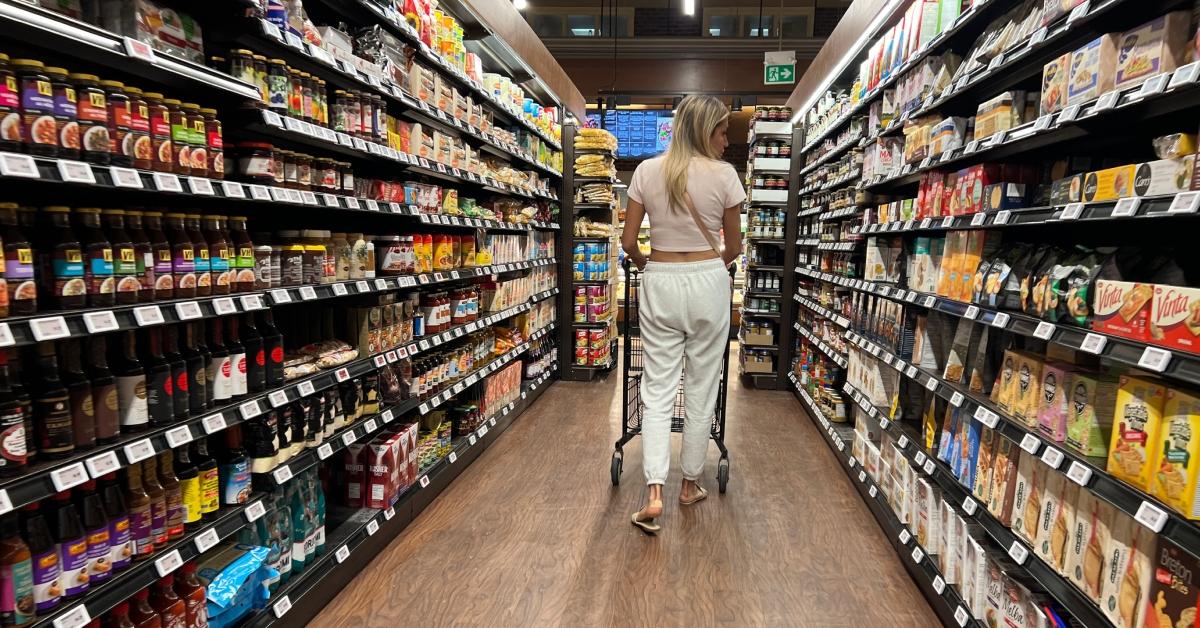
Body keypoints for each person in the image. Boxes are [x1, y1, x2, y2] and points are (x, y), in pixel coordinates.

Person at [620, 95, 745, 533]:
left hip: (661, 279)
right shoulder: (725, 176)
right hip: (709, 280)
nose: (727, 141)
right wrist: (713, 266)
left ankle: (654, 490)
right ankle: (689, 483)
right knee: (702, 385)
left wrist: (647, 268)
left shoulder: (646, 171)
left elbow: (629, 241)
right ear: (702, 130)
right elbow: (735, 246)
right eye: (722, 131)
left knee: (656, 389)